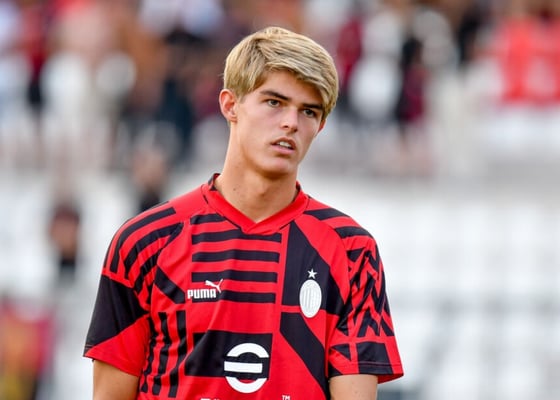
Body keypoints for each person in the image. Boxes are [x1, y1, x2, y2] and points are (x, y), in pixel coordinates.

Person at [83, 26, 403, 399]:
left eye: (308, 111)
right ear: (230, 105)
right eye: (274, 102)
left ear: (321, 126)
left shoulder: (351, 251)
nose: (291, 122)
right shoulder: (145, 242)